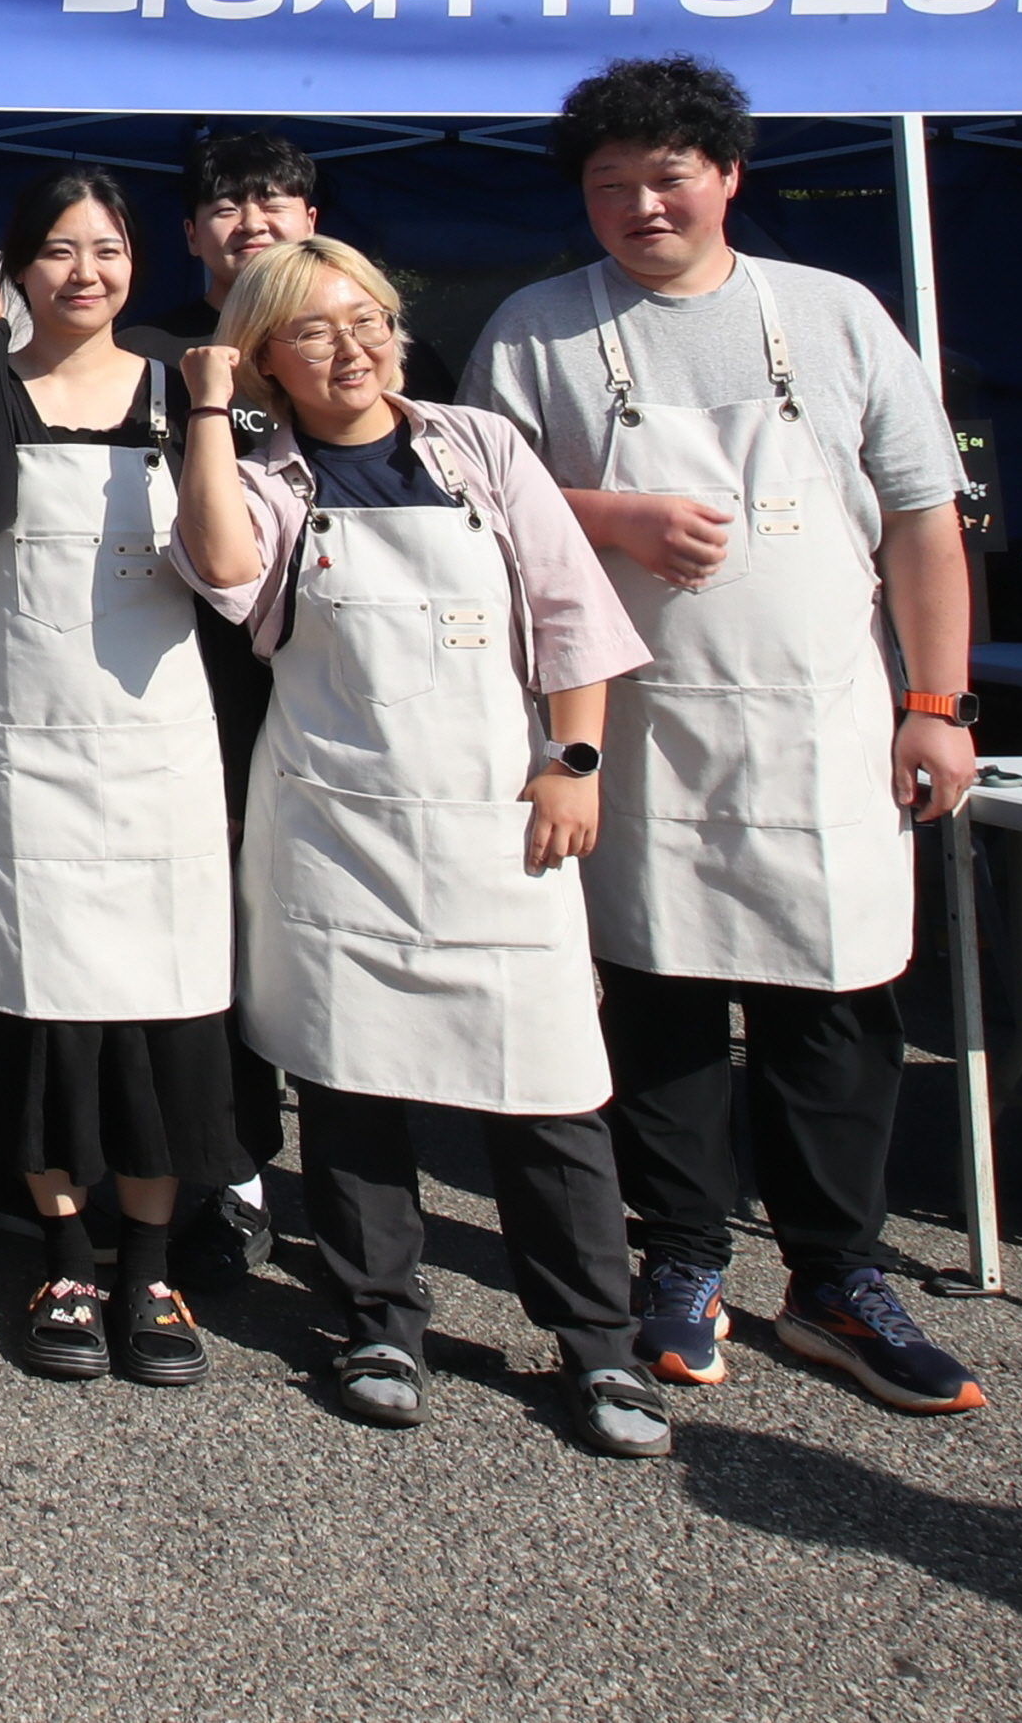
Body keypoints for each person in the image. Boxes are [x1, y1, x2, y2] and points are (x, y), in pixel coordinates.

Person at [461, 58, 987, 1415]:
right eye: (608, 184)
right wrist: (615, 516)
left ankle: (833, 1275)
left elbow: (921, 519)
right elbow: (474, 512)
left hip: (826, 718)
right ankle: (679, 1257)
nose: (639, 205)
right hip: (642, 727)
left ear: (727, 175)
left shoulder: (832, 316)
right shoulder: (535, 329)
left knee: (834, 1001)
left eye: (665, 176)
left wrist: (935, 703)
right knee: (661, 1000)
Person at [177, 235, 672, 1454]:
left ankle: (594, 1341)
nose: (350, 349)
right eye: (311, 332)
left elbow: (569, 613)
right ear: (263, 361)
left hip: (499, 812)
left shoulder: (479, 448)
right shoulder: (267, 476)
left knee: (547, 1089)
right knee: (351, 1084)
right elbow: (225, 572)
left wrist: (575, 761)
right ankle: (374, 1316)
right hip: (338, 823)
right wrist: (204, 408)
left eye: (368, 321)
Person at [0, 167, 238, 1388]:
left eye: (105, 248)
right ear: (16, 267)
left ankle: (147, 1261)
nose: (84, 272)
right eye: (55, 251)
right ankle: (63, 1253)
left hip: (156, 745)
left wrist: (210, 412)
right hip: (25, 748)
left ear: (133, 262)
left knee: (160, 1012)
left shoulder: (187, 391)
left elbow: (231, 560)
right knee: (37, 1005)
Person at [129, 129, 462, 1287]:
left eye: (274, 198)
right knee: (225, 931)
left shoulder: (374, 361)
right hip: (194, 691)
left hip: (364, 700)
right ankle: (233, 1170)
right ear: (188, 235)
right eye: (223, 207)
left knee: (350, 942)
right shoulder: (149, 358)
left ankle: (374, 1198)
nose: (250, 221)